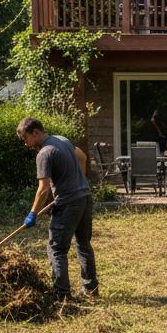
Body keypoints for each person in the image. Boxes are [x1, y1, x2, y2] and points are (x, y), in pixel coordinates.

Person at [16, 117, 98, 301]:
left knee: (56, 249)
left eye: (26, 139)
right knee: (83, 244)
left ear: (35, 133)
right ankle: (91, 290)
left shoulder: (44, 153)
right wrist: (79, 182)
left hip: (69, 203)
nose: (26, 144)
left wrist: (32, 214)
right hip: (85, 196)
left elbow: (43, 189)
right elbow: (82, 157)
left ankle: (62, 295)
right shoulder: (62, 140)